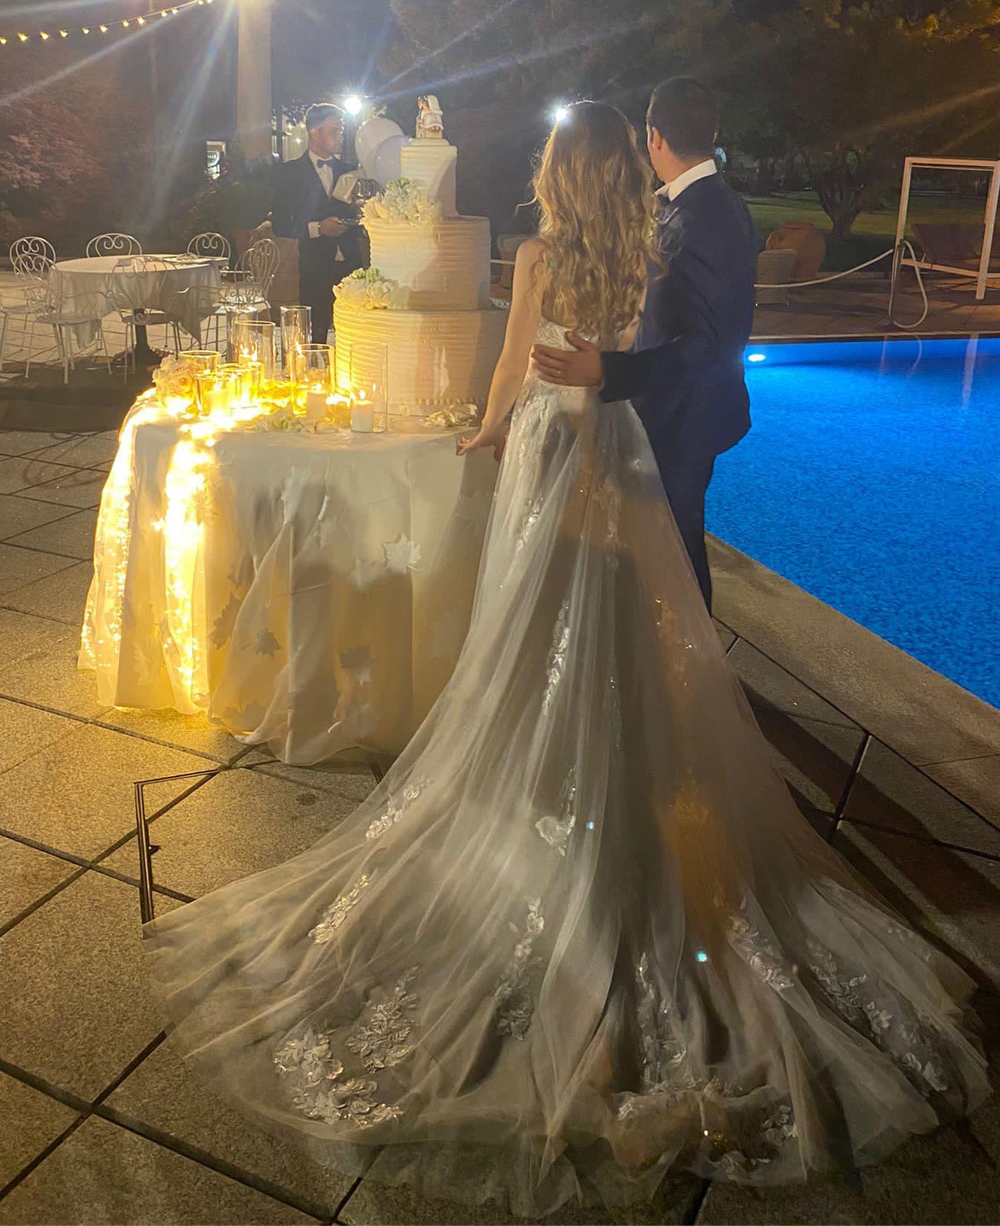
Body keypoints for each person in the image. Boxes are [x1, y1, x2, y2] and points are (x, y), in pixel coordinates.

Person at [148, 103, 986, 1220]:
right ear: (620, 171)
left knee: (538, 627)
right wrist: (540, 409)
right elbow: (648, 361)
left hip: (558, 447)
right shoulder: (646, 249)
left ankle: (550, 795)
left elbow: (512, 364)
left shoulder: (539, 254)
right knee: (615, 634)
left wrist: (496, 428)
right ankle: (614, 787)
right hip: (615, 453)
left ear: (556, 173)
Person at [531, 78, 758, 612]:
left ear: (654, 136)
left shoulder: (710, 216)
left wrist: (609, 372)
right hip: (666, 405)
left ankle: (693, 658)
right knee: (659, 547)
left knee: (675, 556)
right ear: (711, 133)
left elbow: (709, 343)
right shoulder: (687, 203)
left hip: (684, 416)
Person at [271, 102, 368, 343]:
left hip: (351, 263)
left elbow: (361, 215)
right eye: (334, 131)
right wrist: (318, 229)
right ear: (315, 133)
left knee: (356, 331)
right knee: (316, 334)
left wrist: (360, 214)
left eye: (341, 131)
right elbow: (280, 224)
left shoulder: (349, 171)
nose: (340, 137)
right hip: (315, 265)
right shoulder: (290, 173)